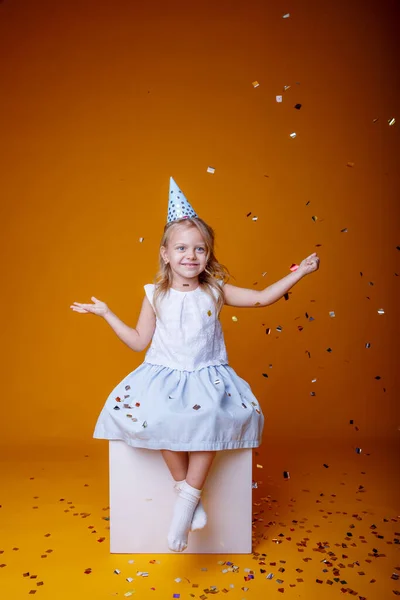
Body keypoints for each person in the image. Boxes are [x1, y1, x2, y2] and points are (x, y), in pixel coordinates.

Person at [70, 176, 320, 553]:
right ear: (165, 254)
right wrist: (106, 313)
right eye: (182, 248)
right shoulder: (154, 294)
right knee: (155, 418)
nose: (191, 255)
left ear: (208, 255)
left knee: (212, 422)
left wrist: (298, 272)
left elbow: (260, 299)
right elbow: (139, 341)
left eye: (200, 249)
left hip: (207, 376)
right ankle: (189, 496)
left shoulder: (215, 290)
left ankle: (185, 502)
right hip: (164, 375)